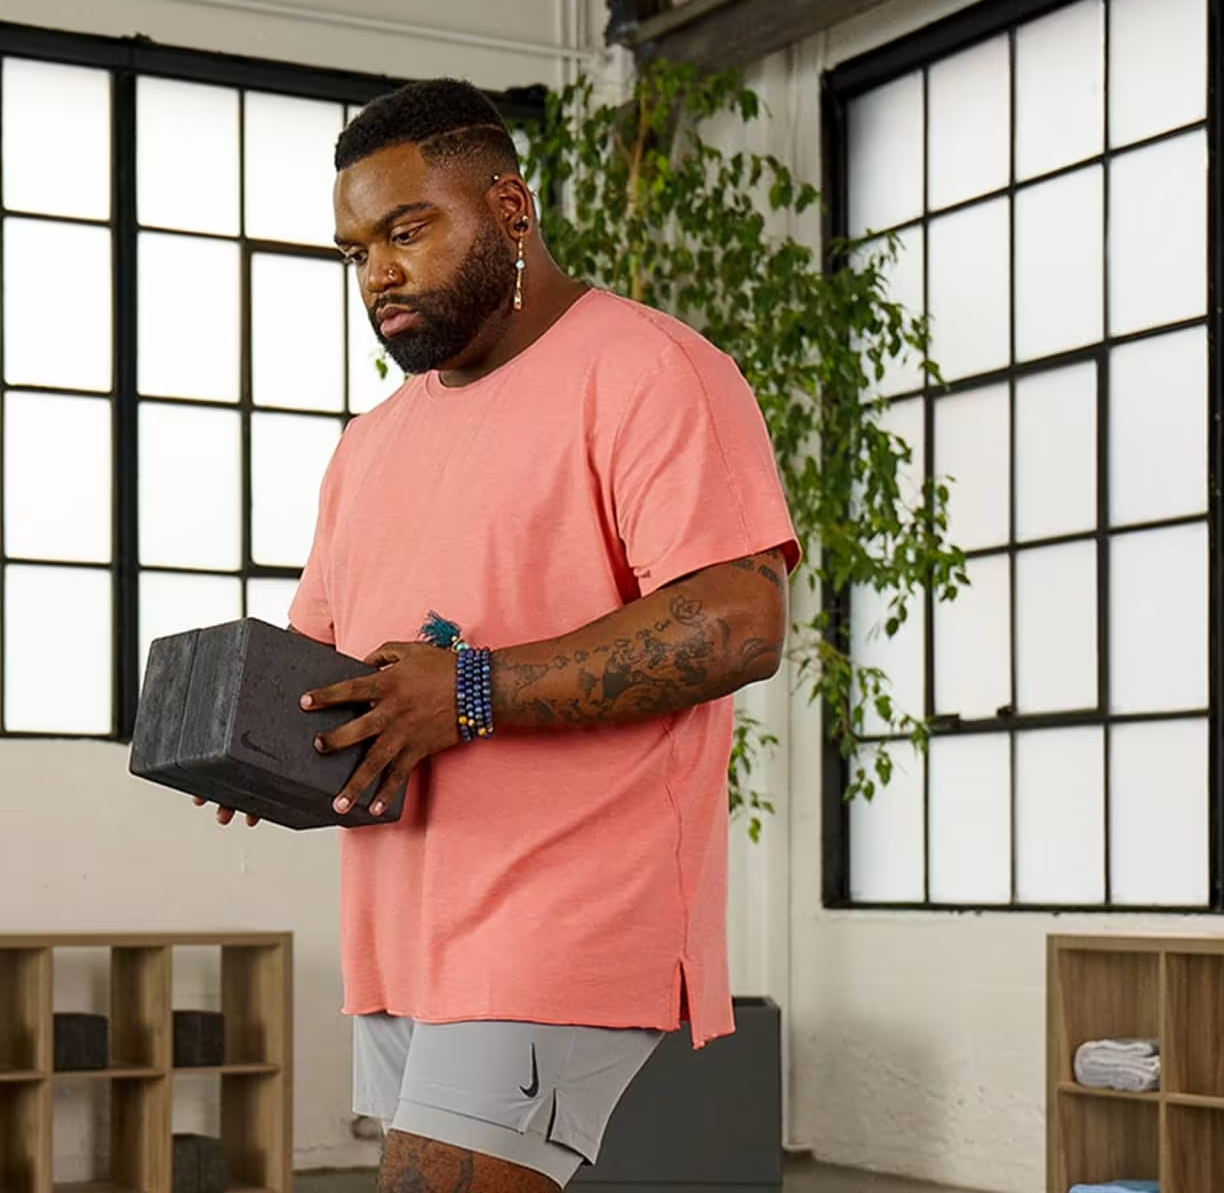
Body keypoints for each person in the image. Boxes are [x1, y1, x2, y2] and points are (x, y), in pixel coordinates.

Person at [199, 78, 801, 1192]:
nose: (377, 270)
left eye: (407, 230)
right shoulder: (368, 446)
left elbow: (738, 621)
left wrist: (468, 690)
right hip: (403, 921)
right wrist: (260, 743)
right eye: (353, 251)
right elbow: (339, 668)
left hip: (561, 908)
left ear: (512, 208)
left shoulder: (650, 370)